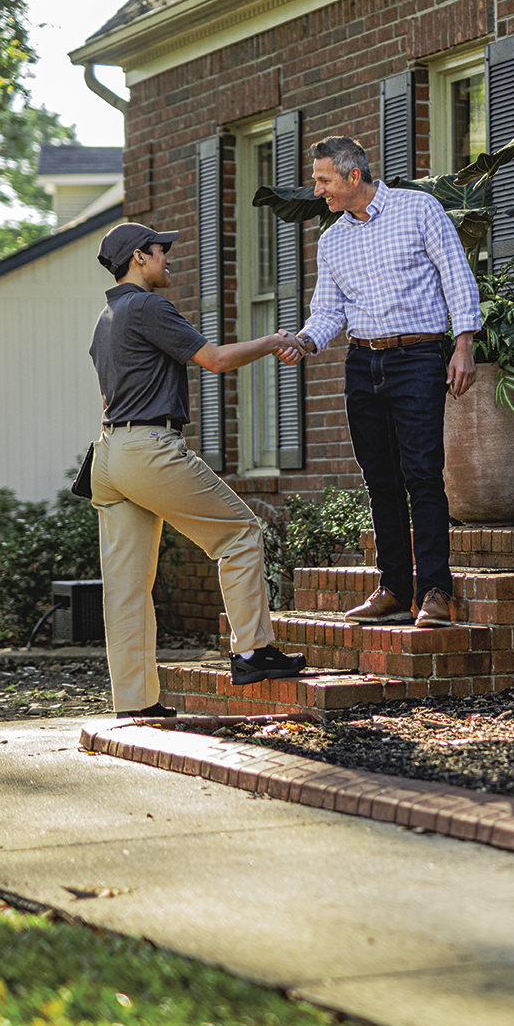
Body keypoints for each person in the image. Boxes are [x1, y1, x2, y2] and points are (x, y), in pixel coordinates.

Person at [88, 221, 308, 717]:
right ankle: (252, 651)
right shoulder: (147, 306)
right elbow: (215, 359)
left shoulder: (106, 317)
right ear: (139, 258)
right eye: (162, 250)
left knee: (126, 585)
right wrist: (274, 341)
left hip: (109, 453)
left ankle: (134, 704)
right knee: (239, 533)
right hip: (149, 448)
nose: (169, 258)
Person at [277, 135, 480, 627]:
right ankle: (393, 587)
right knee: (379, 479)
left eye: (323, 180)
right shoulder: (332, 240)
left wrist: (464, 345)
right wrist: (304, 341)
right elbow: (328, 311)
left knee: (423, 474)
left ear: (353, 176)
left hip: (419, 355)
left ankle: (435, 591)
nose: (317, 189)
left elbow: (456, 275)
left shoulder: (418, 209)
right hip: (362, 363)